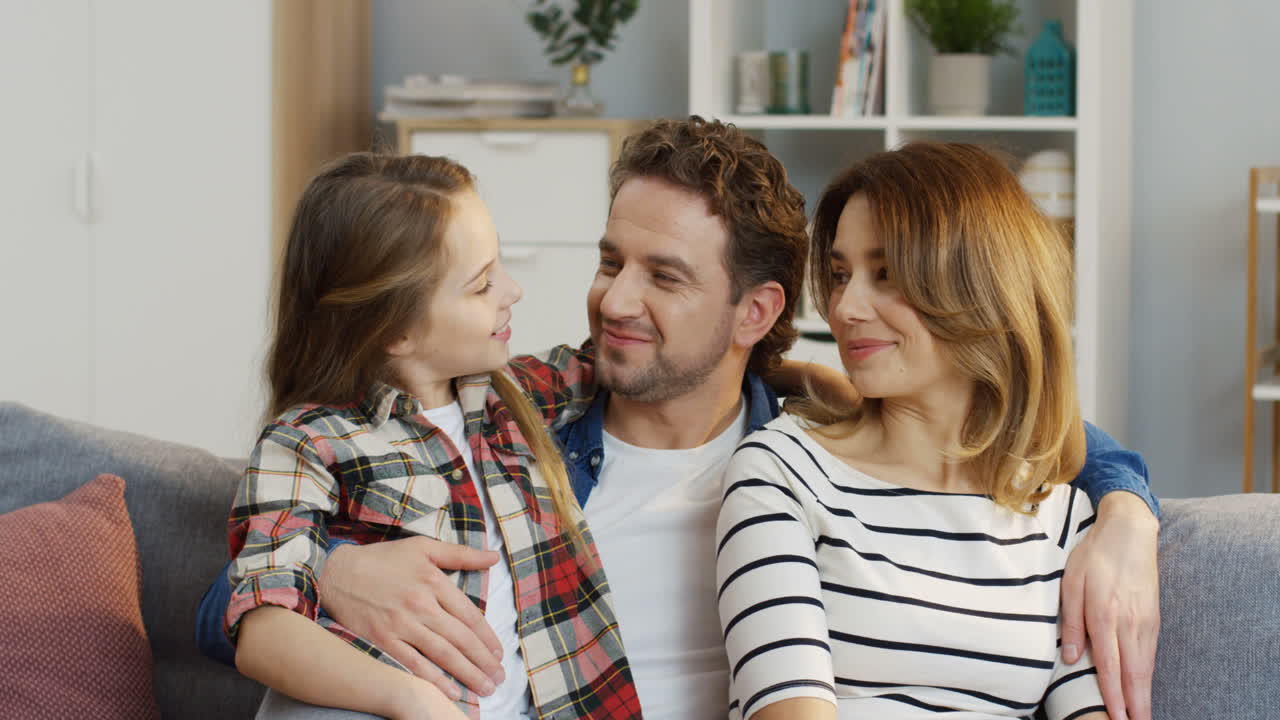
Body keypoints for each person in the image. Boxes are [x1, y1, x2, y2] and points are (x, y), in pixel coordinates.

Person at [199, 118, 1160, 720]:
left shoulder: (807, 433)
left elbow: (1010, 428)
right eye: (611, 258)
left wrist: (1126, 511)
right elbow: (239, 590)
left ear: (758, 313)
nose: (614, 299)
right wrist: (335, 568)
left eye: (664, 277)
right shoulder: (512, 412)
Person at [220, 152, 641, 720]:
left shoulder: (511, 399)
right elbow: (264, 630)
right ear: (397, 328)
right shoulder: (308, 443)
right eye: (481, 284)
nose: (511, 290)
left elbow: (631, 363)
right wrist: (413, 700)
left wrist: (794, 373)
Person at [716, 141, 1123, 719]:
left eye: (886, 275)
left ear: (982, 287)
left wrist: (1132, 512)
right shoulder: (782, 470)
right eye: (839, 275)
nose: (845, 308)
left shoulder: (1061, 518)